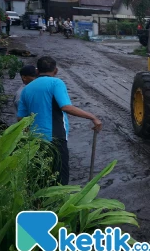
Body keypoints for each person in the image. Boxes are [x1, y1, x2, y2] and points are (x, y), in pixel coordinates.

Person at [17, 56, 102, 184]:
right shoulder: (56, 83)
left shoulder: (26, 89)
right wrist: (93, 117)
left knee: (42, 176)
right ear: (55, 71)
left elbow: (21, 119)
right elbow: (66, 107)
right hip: (55, 138)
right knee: (60, 178)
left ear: (37, 71)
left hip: (34, 140)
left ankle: (41, 203)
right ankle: (59, 203)